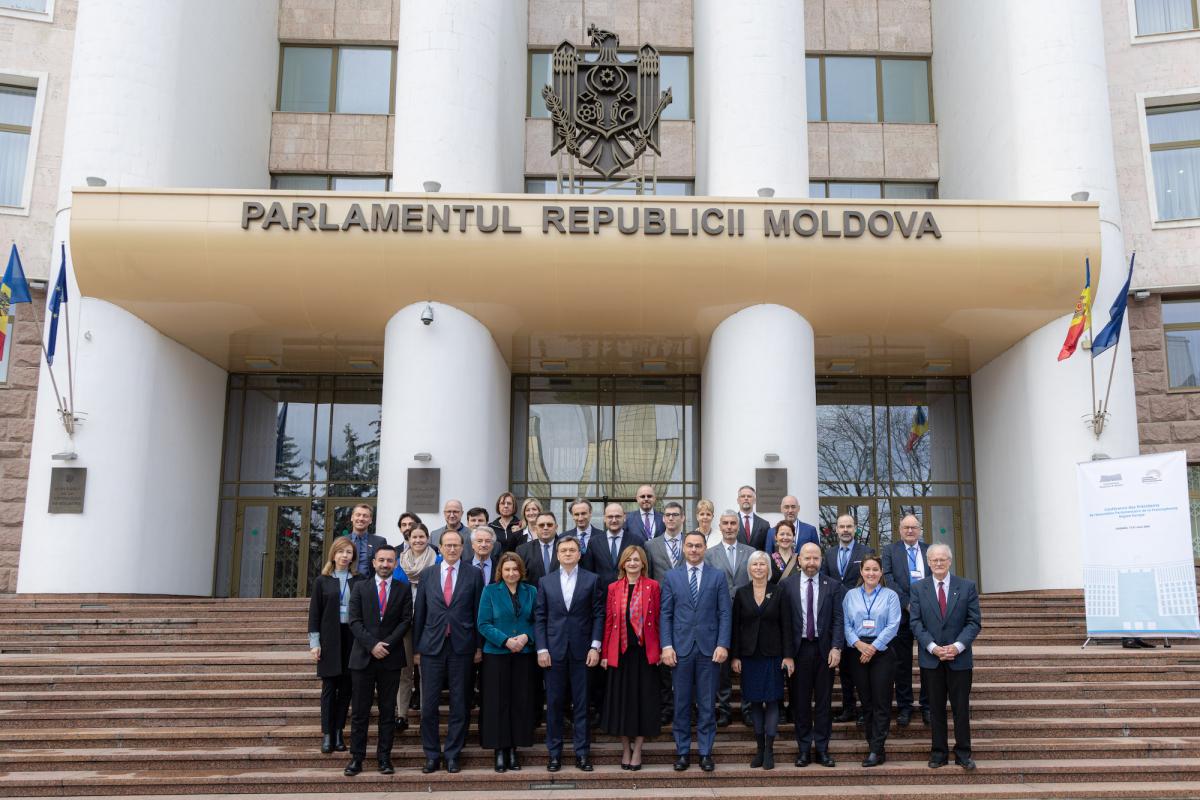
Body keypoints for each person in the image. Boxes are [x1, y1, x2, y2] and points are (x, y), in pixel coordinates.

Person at [412, 529, 484, 774]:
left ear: (463, 548)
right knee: (429, 705)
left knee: (460, 704)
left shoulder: (474, 574)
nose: (452, 549)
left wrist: (478, 646)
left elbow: (478, 613)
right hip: (431, 648)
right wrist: (416, 649)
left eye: (456, 545)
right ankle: (431, 754)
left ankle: (453, 753)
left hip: (462, 648)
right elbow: (419, 613)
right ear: (439, 548)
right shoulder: (428, 574)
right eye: (447, 545)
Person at [660, 531, 731, 773]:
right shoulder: (671, 577)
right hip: (679, 650)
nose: (693, 550)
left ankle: (705, 752)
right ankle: (682, 752)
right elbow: (666, 614)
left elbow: (724, 613)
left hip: (709, 649)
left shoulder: (717, 576)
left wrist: (723, 644)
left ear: (704, 548)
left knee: (707, 704)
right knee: (680, 704)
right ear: (683, 548)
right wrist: (666, 646)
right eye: (689, 546)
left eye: (698, 546)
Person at [534, 536, 604, 772]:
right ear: (557, 554)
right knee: (553, 704)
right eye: (563, 550)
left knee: (582, 705)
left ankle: (582, 753)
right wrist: (541, 648)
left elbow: (598, 615)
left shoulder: (592, 580)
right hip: (553, 653)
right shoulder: (545, 581)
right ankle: (554, 754)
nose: (567, 553)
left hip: (583, 652)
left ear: (579, 554)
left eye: (572, 550)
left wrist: (595, 646)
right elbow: (540, 617)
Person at [910, 543, 981, 771]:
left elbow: (974, 622)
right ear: (928, 563)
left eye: (942, 559)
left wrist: (957, 646)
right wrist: (932, 647)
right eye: (934, 560)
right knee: (936, 708)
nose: (938, 563)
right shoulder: (919, 588)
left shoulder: (967, 586)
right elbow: (915, 623)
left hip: (959, 659)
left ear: (950, 561)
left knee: (961, 708)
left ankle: (963, 753)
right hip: (931, 659)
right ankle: (938, 753)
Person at [343, 544, 413, 777]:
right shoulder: (360, 588)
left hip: (391, 659)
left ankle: (384, 757)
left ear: (395, 563)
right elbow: (354, 621)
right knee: (360, 711)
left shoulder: (403, 590)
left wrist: (387, 645)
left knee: (387, 711)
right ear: (373, 563)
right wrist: (372, 645)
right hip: (363, 657)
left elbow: (405, 621)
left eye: (390, 561)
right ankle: (357, 758)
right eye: (381, 560)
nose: (385, 564)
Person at [599, 544, 662, 770]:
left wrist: (662, 649)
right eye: (629, 560)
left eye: (637, 560)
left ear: (643, 563)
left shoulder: (653, 586)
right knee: (621, 705)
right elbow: (608, 622)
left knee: (643, 703)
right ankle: (626, 749)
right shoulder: (613, 588)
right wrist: (605, 653)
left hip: (645, 655)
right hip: (621, 654)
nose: (633, 563)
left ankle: (639, 750)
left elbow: (658, 622)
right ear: (623, 563)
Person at [730, 551, 794, 770]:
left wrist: (788, 655)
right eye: (755, 564)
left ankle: (769, 749)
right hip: (749, 656)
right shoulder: (741, 593)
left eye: (762, 564)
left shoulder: (779, 592)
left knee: (773, 700)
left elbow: (787, 625)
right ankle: (759, 748)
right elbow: (736, 628)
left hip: (773, 655)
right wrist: (735, 655)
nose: (758, 568)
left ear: (768, 568)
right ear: (749, 569)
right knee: (755, 702)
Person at [782, 542, 844, 768]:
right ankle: (804, 749)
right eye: (807, 558)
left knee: (824, 703)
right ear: (799, 560)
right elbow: (785, 624)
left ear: (821, 560)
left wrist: (837, 647)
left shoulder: (833, 586)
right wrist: (787, 654)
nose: (811, 563)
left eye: (815, 558)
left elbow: (839, 619)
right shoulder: (787, 586)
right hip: (798, 652)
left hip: (824, 650)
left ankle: (823, 749)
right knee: (800, 703)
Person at [477, 551, 539, 773]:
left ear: (520, 571)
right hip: (497, 654)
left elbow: (538, 620)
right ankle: (500, 750)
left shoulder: (531, 591)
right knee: (497, 702)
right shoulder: (490, 591)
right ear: (500, 572)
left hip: (524, 654)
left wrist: (526, 636)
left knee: (519, 702)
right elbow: (483, 623)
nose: (511, 573)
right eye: (507, 569)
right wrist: (505, 641)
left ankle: (513, 749)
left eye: (515, 569)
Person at [843, 554, 902, 767]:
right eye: (867, 569)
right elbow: (846, 624)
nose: (871, 573)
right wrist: (859, 645)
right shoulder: (850, 595)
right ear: (861, 572)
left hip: (882, 652)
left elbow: (893, 625)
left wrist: (873, 647)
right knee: (866, 702)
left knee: (881, 702)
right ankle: (872, 745)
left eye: (875, 570)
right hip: (857, 650)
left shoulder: (890, 596)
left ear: (880, 573)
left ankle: (877, 749)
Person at [308, 536, 364, 754]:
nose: (344, 556)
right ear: (333, 554)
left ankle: (340, 731)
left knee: (346, 688)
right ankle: (327, 734)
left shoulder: (359, 580)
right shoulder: (323, 581)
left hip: (352, 638)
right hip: (330, 638)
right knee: (329, 688)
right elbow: (315, 614)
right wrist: (315, 642)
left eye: (349, 552)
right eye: (341, 552)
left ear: (353, 557)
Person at [821, 513, 874, 724]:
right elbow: (825, 580)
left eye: (849, 526)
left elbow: (869, 578)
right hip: (836, 613)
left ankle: (864, 709)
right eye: (841, 526)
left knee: (859, 665)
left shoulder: (866, 552)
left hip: (860, 613)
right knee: (844, 667)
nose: (845, 530)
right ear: (836, 529)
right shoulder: (829, 553)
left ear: (855, 529)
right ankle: (848, 707)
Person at [706, 509, 756, 728]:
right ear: (720, 526)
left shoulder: (751, 552)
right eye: (725, 523)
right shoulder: (709, 554)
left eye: (732, 523)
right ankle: (724, 709)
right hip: (719, 617)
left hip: (747, 617)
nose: (729, 527)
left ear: (738, 526)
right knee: (722, 668)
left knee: (746, 665)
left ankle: (747, 709)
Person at [881, 514, 931, 726]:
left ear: (920, 530)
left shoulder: (930, 551)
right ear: (899, 530)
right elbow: (888, 578)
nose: (910, 531)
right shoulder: (890, 551)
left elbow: (937, 576)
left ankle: (928, 706)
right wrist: (907, 603)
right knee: (902, 663)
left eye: (914, 527)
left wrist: (922, 604)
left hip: (929, 615)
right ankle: (905, 706)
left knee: (929, 662)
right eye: (906, 528)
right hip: (901, 615)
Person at [642, 505, 686, 724]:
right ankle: (667, 706)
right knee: (663, 659)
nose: (670, 518)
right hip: (660, 609)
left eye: (675, 515)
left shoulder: (692, 542)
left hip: (688, 608)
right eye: (667, 515)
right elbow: (648, 576)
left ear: (683, 518)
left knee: (686, 657)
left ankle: (687, 705)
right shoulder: (651, 545)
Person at [395, 523, 438, 717]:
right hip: (405, 624)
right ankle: (401, 715)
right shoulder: (400, 563)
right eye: (414, 537)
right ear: (408, 540)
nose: (418, 540)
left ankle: (425, 716)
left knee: (426, 671)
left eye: (422, 537)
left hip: (430, 623)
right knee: (405, 670)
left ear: (428, 538)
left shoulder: (437, 561)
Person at [586, 502, 647, 585]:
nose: (614, 520)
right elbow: (589, 572)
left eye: (618, 516)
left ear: (624, 517)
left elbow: (643, 569)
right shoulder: (594, 542)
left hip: (629, 592)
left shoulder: (636, 541)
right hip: (601, 593)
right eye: (610, 517)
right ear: (604, 518)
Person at [517, 512, 561, 586]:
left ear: (556, 527)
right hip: (533, 596)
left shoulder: (566, 548)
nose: (545, 528)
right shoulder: (522, 550)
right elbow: (520, 578)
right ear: (535, 528)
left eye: (549, 525)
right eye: (541, 525)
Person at [346, 504, 387, 579]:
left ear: (370, 520)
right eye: (358, 515)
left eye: (365, 516)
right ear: (352, 518)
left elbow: (383, 566)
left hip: (369, 586)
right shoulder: (342, 541)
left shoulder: (380, 542)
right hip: (346, 585)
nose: (361, 518)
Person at [735, 486, 770, 550]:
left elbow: (766, 549)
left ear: (754, 501)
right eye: (743, 496)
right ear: (738, 500)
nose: (746, 498)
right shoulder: (731, 522)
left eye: (749, 496)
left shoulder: (764, 525)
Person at [767, 519, 801, 584]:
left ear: (793, 537)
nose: (785, 537)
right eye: (782, 534)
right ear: (776, 537)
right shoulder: (768, 560)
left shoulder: (799, 559)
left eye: (788, 534)